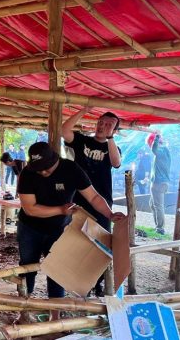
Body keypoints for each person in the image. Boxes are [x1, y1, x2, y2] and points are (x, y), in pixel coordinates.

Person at [17, 142, 124, 317]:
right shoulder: (28, 173)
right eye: (39, 169)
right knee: (27, 267)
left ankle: (55, 316)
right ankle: (23, 312)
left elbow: (94, 197)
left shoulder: (71, 169)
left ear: (56, 160)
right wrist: (60, 210)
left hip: (58, 228)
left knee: (57, 269)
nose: (43, 172)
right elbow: (30, 208)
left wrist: (110, 214)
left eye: (47, 168)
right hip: (30, 228)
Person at [62, 108, 122, 296]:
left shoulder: (112, 147)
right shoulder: (82, 141)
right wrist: (84, 110)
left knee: (102, 244)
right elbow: (64, 130)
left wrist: (110, 138)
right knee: (78, 241)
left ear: (114, 131)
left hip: (102, 203)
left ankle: (98, 283)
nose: (103, 127)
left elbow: (116, 162)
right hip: (78, 200)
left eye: (109, 125)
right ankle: (77, 282)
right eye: (101, 122)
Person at [148, 131, 171, 235]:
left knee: (158, 206)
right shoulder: (165, 152)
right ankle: (158, 225)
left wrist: (156, 137)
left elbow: (154, 149)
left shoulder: (161, 151)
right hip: (162, 182)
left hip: (158, 183)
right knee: (152, 204)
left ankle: (160, 228)